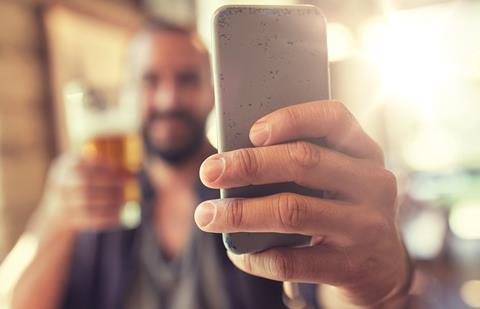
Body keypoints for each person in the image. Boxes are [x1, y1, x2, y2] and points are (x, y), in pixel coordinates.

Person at [0, 21, 412, 309]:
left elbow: (327, 292)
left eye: (187, 79)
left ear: (214, 93)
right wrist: (49, 220)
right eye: (150, 81)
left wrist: (375, 282)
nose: (167, 100)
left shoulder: (264, 185)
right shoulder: (94, 202)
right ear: (128, 94)